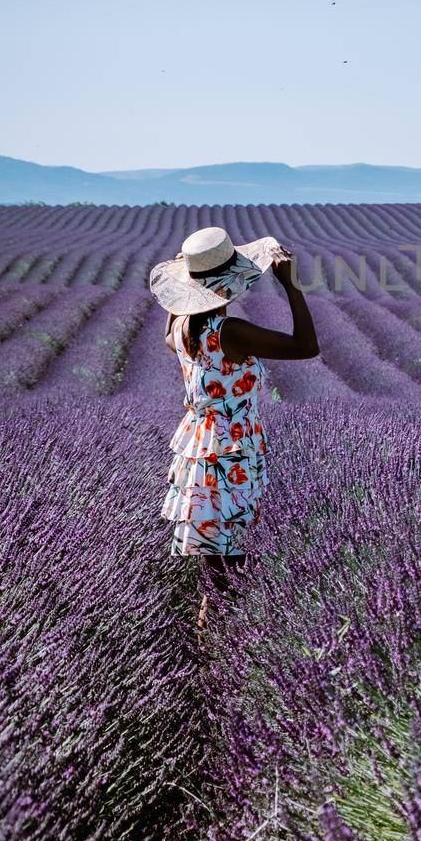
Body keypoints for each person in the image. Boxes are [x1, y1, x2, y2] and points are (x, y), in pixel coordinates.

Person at [148, 226, 319, 630]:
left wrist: (185, 284)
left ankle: (212, 654)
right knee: (231, 571)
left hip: (199, 449)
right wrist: (292, 287)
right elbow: (306, 347)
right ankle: (220, 659)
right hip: (233, 453)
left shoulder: (179, 331)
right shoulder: (230, 333)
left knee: (218, 572)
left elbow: (170, 325)